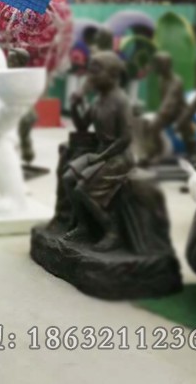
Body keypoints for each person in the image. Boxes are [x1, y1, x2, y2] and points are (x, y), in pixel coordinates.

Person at [64, 52, 135, 252]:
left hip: (118, 156)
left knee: (83, 189)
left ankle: (112, 231)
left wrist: (101, 157)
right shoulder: (98, 100)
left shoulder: (121, 101)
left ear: (112, 74)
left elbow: (126, 138)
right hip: (101, 152)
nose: (91, 76)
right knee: (68, 179)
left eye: (96, 71)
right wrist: (76, 105)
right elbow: (82, 125)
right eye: (90, 71)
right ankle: (84, 226)